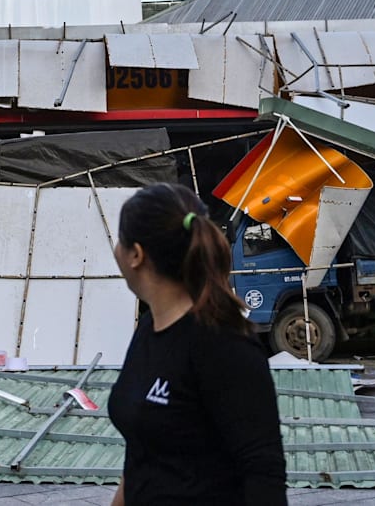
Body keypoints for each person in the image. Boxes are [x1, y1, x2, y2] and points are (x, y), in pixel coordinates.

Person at [108, 183, 287, 505]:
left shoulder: (224, 345)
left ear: (136, 254)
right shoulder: (149, 329)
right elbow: (141, 452)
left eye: (119, 240)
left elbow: (264, 472)